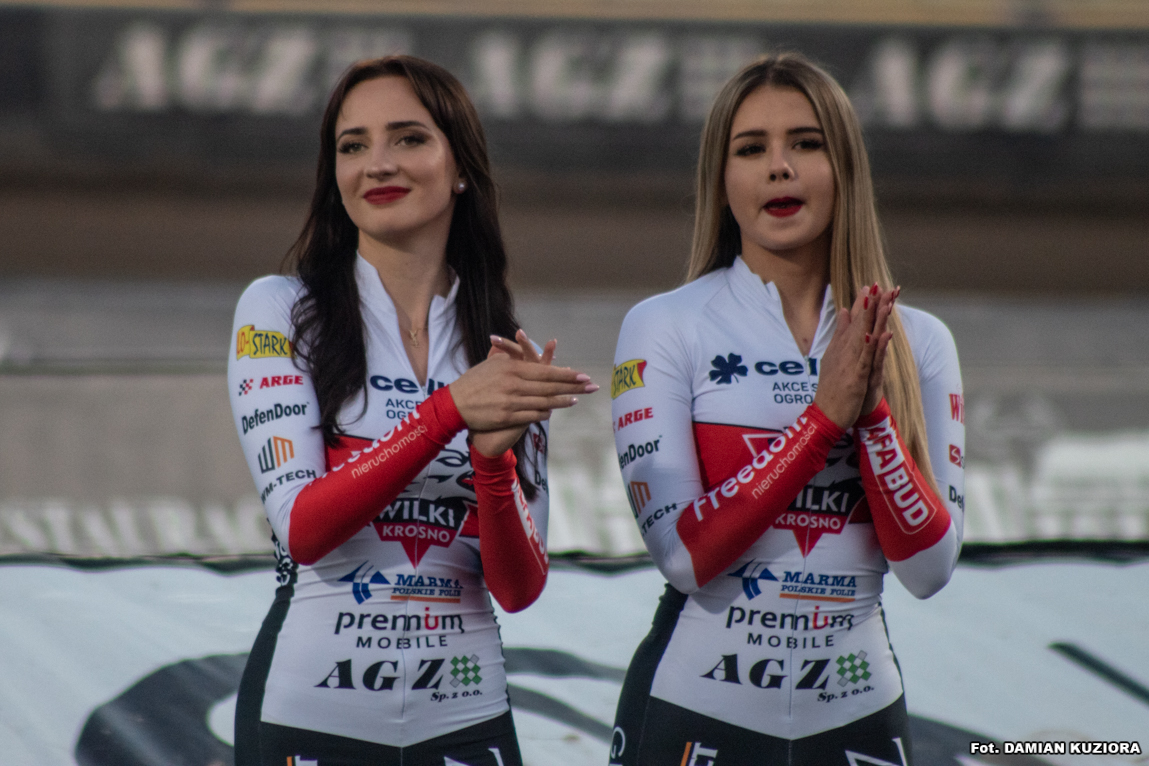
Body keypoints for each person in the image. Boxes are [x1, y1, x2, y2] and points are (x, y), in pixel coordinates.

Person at [227, 55, 596, 766]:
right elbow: (303, 529)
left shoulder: (499, 347)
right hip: (311, 715)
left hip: (466, 717)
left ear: (460, 168)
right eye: (352, 145)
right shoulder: (280, 309)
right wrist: (448, 412)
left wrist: (492, 464)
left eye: (408, 138)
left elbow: (518, 589)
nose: (377, 164)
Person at [608, 53, 963, 766]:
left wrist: (871, 417)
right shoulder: (663, 325)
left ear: (845, 168)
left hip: (857, 715)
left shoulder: (918, 341)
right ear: (721, 180)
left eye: (805, 143)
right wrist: (823, 421)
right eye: (751, 149)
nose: (779, 167)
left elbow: (929, 571)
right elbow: (683, 558)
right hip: (692, 710)